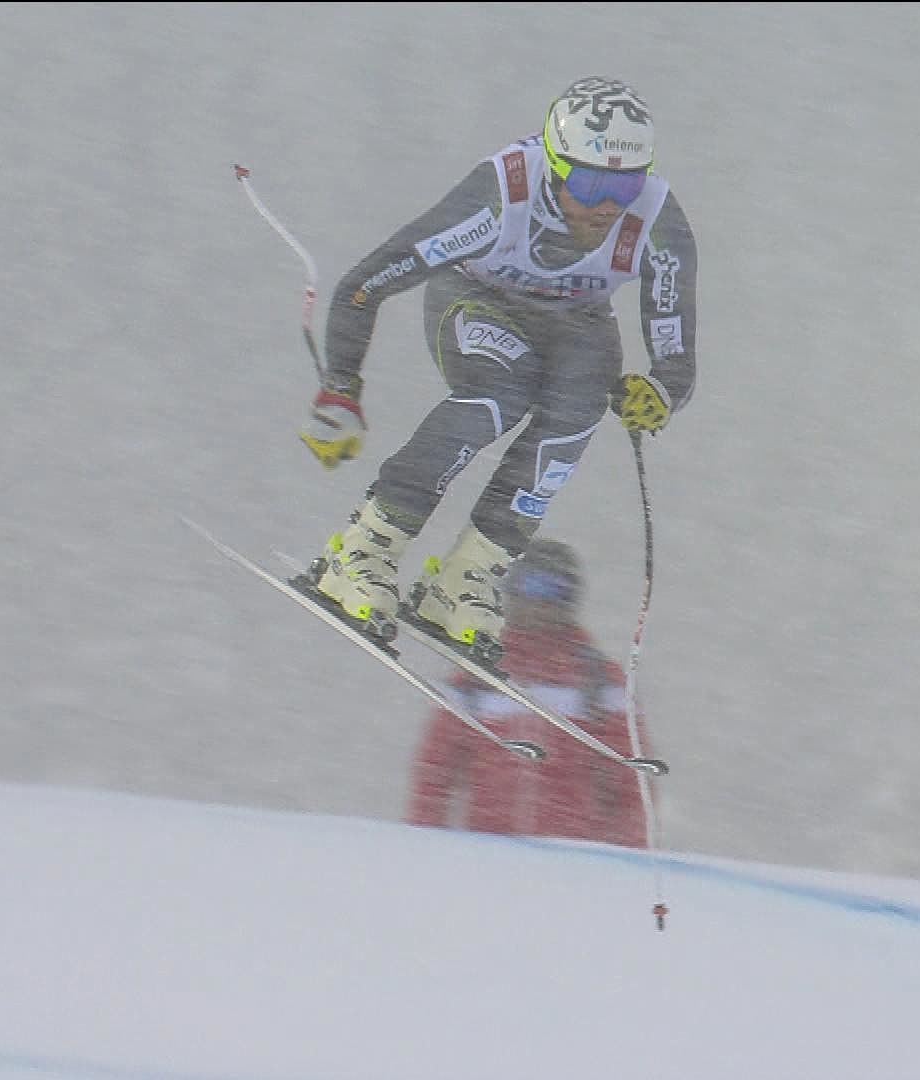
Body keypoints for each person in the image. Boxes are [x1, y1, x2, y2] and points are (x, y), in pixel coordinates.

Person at [295, 76, 697, 670]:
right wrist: (343, 388)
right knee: (500, 394)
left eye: (625, 184)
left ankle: (466, 576)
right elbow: (366, 284)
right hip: (476, 299)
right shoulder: (504, 193)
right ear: (555, 165)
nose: (607, 205)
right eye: (589, 182)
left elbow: (678, 352)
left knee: (582, 400)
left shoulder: (657, 221)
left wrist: (660, 391)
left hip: (576, 322)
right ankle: (365, 548)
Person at [405, 539, 646, 847]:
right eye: (529, 585)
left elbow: (630, 791)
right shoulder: (474, 680)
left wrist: (628, 864)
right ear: (510, 592)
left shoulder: (600, 684)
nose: (539, 602)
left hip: (576, 865)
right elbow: (434, 779)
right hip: (489, 859)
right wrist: (425, 850)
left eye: (553, 588)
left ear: (570, 598)